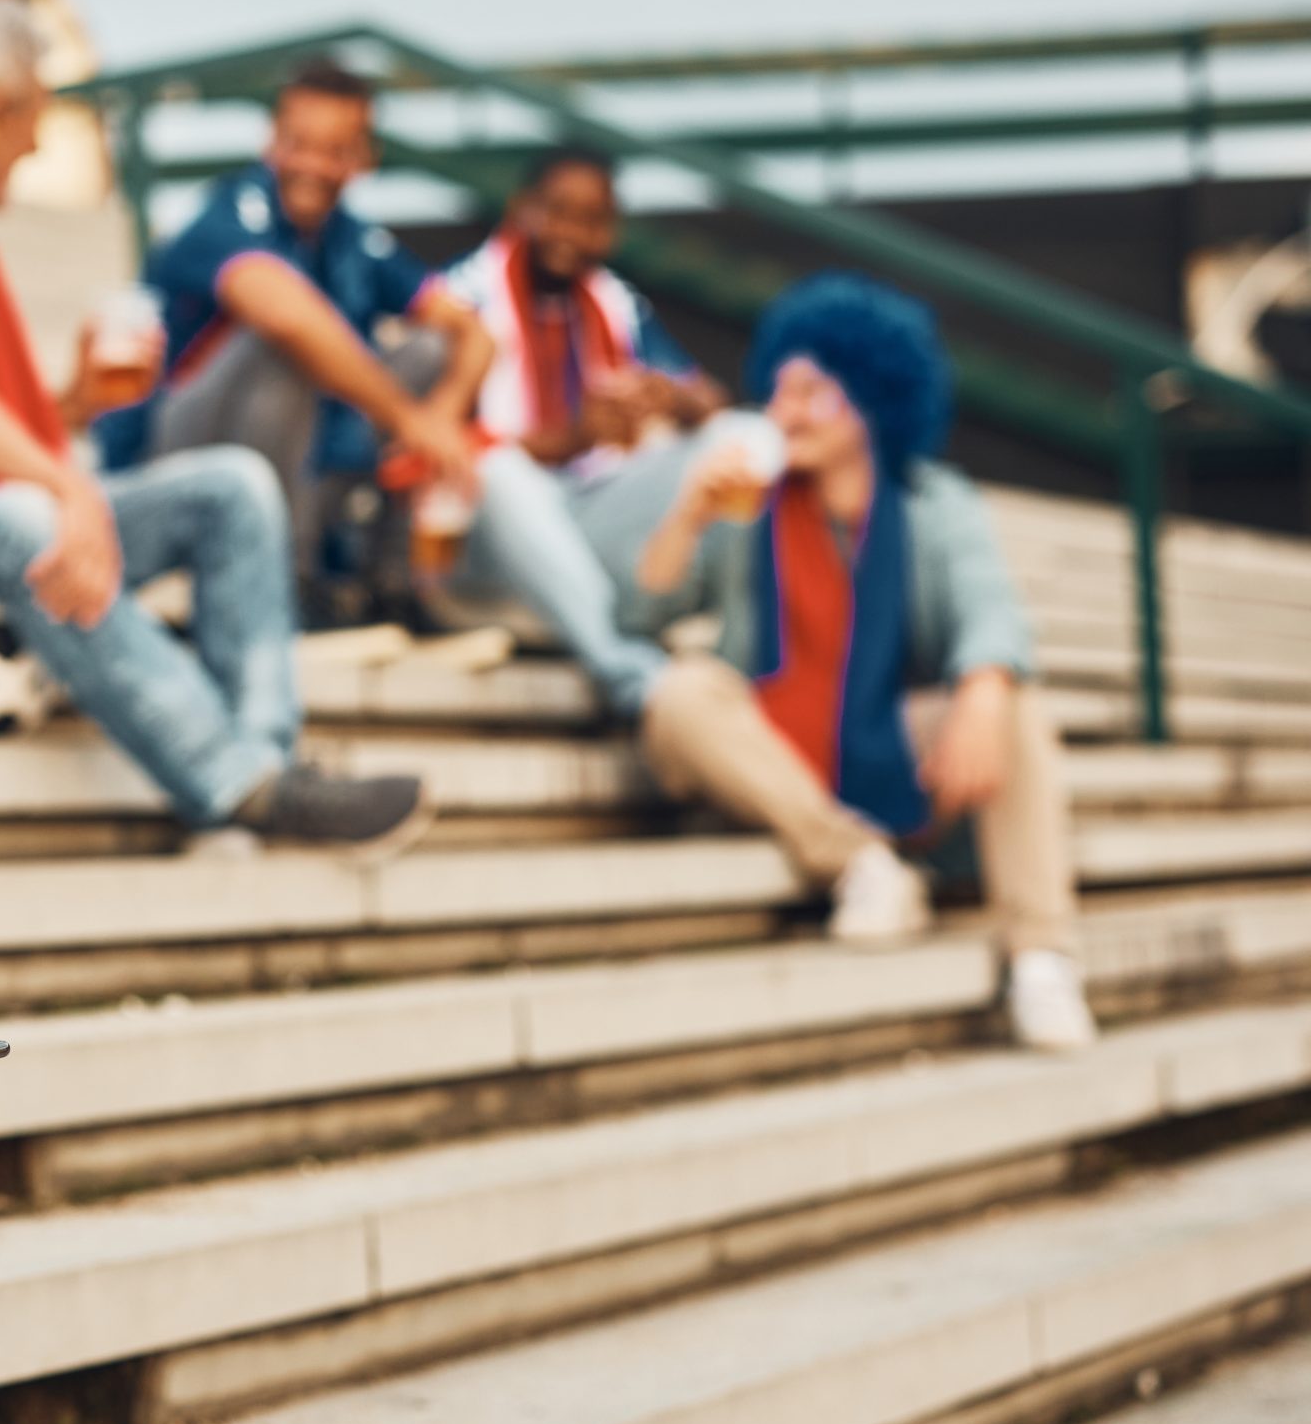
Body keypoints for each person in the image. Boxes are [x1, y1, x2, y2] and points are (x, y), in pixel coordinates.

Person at [0, 0, 431, 851]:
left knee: (234, 488)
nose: (37, 142)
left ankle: (271, 756)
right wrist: (65, 484)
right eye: (34, 116)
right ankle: (241, 786)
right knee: (29, 517)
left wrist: (74, 404)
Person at [632, 272, 1099, 1051]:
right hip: (773, 748)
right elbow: (643, 611)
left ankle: (1042, 956)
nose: (786, 412)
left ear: (872, 398)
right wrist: (687, 514)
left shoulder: (932, 503)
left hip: (888, 739)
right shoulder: (751, 503)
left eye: (812, 392)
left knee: (1009, 698)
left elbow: (991, 610)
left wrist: (982, 694)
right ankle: (860, 862)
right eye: (778, 393)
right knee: (679, 691)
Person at [89, 59, 498, 628]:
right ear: (272, 142)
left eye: (334, 149)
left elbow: (474, 333)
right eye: (297, 143)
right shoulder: (228, 211)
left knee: (431, 351)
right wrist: (408, 418)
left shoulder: (353, 238)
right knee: (288, 348)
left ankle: (390, 585)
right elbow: (285, 315)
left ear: (363, 158)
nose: (311, 164)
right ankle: (281, 579)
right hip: (171, 458)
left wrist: (441, 415)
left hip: (308, 459)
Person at [435, 143, 730, 720]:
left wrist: (667, 396)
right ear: (521, 208)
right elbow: (447, 452)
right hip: (482, 542)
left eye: (592, 219)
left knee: (742, 439)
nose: (571, 231)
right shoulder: (459, 296)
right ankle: (622, 669)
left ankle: (742, 648)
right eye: (556, 210)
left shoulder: (616, 301)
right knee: (494, 471)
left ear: (611, 231)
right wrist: (578, 436)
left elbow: (710, 400)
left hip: (587, 516)